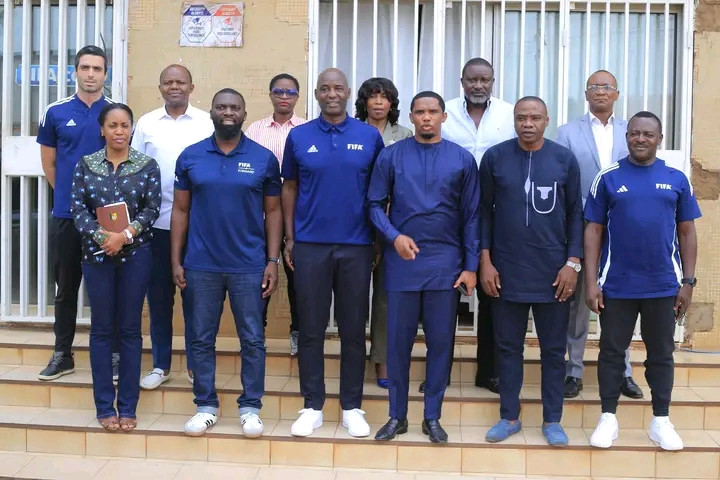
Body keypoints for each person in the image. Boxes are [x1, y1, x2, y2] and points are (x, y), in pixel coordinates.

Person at [584, 111, 700, 451]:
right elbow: (593, 230)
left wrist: (688, 282)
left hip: (663, 284)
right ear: (627, 137)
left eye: (648, 134)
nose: (640, 139)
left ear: (659, 139)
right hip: (617, 284)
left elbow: (687, 231)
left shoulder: (676, 178)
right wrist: (591, 282)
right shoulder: (607, 177)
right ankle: (608, 417)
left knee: (661, 354)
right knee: (611, 352)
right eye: (634, 133)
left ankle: (661, 420)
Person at [369, 91, 479, 443]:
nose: (427, 117)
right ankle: (396, 416)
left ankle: (432, 417)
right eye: (420, 112)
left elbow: (472, 216)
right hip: (402, 261)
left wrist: (471, 266)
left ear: (444, 117)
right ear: (411, 117)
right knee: (398, 345)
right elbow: (373, 204)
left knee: (440, 344)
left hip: (446, 264)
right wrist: (393, 236)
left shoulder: (462, 159)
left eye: (433, 111)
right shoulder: (391, 156)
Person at [172, 88, 283, 438]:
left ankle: (250, 408)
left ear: (245, 114)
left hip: (249, 265)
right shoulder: (191, 156)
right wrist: (176, 260)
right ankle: (205, 406)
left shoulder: (264, 159)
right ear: (212, 113)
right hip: (201, 264)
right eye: (221, 107)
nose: (228, 112)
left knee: (253, 339)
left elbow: (274, 212)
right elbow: (180, 210)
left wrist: (272, 260)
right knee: (200, 338)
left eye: (235, 107)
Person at [282, 68, 384, 438]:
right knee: (310, 328)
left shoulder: (369, 136)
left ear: (348, 92)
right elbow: (289, 188)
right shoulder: (299, 136)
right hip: (310, 245)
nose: (331, 94)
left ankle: (351, 407)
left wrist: (377, 238)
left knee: (353, 329)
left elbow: (380, 191)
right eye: (324, 88)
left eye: (338, 88)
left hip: (357, 246)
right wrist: (290, 238)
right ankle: (312, 406)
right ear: (316, 94)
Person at [480, 97, 583, 446]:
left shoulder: (563, 159)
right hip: (506, 270)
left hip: (554, 274)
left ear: (546, 121)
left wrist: (572, 263)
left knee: (553, 351)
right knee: (508, 348)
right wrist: (485, 261)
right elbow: (483, 212)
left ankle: (552, 420)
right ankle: (509, 416)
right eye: (521, 117)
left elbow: (576, 213)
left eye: (535, 118)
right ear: (513, 120)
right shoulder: (495, 158)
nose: (528, 124)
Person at [70, 103, 161, 431]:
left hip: (135, 256)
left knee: (130, 330)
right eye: (112, 126)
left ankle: (128, 407)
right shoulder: (86, 165)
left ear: (131, 129)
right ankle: (104, 407)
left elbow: (152, 208)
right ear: (102, 129)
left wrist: (124, 236)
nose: (119, 131)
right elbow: (78, 209)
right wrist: (103, 237)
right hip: (97, 258)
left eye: (124, 125)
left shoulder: (146, 165)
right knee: (102, 330)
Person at [556, 70, 643, 400]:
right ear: (586, 94)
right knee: (578, 302)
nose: (601, 92)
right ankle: (574, 370)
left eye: (607, 87)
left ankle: (623, 371)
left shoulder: (631, 130)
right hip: (582, 225)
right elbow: (564, 182)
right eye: (594, 87)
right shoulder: (567, 133)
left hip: (623, 228)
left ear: (617, 94)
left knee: (620, 301)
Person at [37, 45, 117, 382]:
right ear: (75, 71)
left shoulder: (113, 111)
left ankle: (112, 354)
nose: (90, 74)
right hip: (68, 217)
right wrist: (72, 200)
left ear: (105, 74)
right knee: (66, 287)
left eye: (97, 69)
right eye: (85, 68)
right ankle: (62, 354)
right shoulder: (55, 112)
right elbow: (49, 164)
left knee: (108, 289)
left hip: (106, 219)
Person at [132, 64, 214, 390]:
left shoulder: (207, 122)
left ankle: (196, 366)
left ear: (192, 87)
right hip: (154, 225)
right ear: (160, 87)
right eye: (168, 82)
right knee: (159, 298)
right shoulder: (146, 123)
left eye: (181, 82)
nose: (174, 87)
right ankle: (160, 365)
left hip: (198, 226)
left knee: (196, 299)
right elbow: (134, 169)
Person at [442, 57, 515, 394]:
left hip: (496, 214)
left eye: (484, 79)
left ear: (492, 82)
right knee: (444, 297)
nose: (478, 85)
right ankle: (439, 372)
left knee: (492, 294)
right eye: (472, 79)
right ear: (462, 82)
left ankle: (489, 372)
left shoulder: (509, 114)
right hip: (449, 214)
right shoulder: (445, 113)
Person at [354, 77, 413, 389]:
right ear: (364, 101)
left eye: (384, 97)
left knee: (386, 298)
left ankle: (383, 360)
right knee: (352, 296)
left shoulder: (405, 135)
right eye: (372, 96)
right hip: (353, 221)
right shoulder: (351, 131)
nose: (378, 102)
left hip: (392, 224)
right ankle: (352, 358)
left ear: (392, 103)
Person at [245, 73, 307, 356]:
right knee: (260, 274)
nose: (284, 97)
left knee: (299, 276)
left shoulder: (306, 130)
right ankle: (256, 334)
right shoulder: (254, 130)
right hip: (262, 213)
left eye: (290, 92)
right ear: (270, 95)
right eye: (279, 91)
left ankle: (298, 333)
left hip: (299, 213)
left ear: (298, 96)